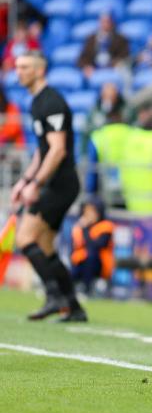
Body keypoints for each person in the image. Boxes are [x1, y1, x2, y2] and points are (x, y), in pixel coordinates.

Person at [10, 52, 86, 322]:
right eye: (17, 67)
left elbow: (57, 150)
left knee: (25, 239)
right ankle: (74, 307)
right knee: (44, 245)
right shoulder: (37, 102)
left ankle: (54, 297)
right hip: (52, 183)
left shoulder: (51, 101)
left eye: (25, 67)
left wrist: (37, 185)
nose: (19, 72)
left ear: (40, 71)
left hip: (61, 184)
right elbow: (42, 152)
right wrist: (25, 181)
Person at [69, 197, 114, 296]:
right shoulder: (78, 227)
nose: (89, 214)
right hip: (79, 262)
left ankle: (86, 288)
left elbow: (97, 245)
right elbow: (73, 247)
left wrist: (85, 229)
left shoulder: (106, 226)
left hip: (99, 263)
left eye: (92, 211)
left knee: (90, 255)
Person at [77, 13, 130, 78]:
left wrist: (115, 64)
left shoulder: (121, 39)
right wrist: (87, 66)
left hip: (113, 70)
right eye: (103, 21)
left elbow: (124, 56)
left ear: (112, 22)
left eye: (108, 21)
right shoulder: (91, 39)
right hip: (94, 70)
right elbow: (82, 57)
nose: (105, 24)